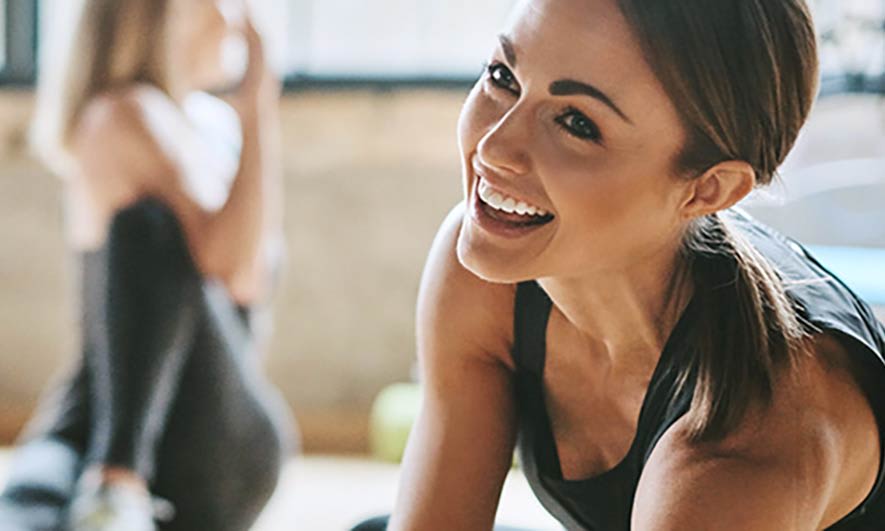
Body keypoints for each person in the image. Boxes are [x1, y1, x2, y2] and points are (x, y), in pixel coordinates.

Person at [361, 0, 885, 529]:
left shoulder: (738, 454)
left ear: (709, 188)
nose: (495, 148)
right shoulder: (488, 278)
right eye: (503, 77)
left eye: (576, 123)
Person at [0, 0, 293, 530]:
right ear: (156, 15)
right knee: (24, 507)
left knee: (148, 226)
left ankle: (119, 483)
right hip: (95, 422)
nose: (233, 19)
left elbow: (240, 275)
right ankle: (112, 489)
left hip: (206, 441)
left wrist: (255, 105)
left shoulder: (210, 123)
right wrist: (257, 96)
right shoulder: (124, 113)